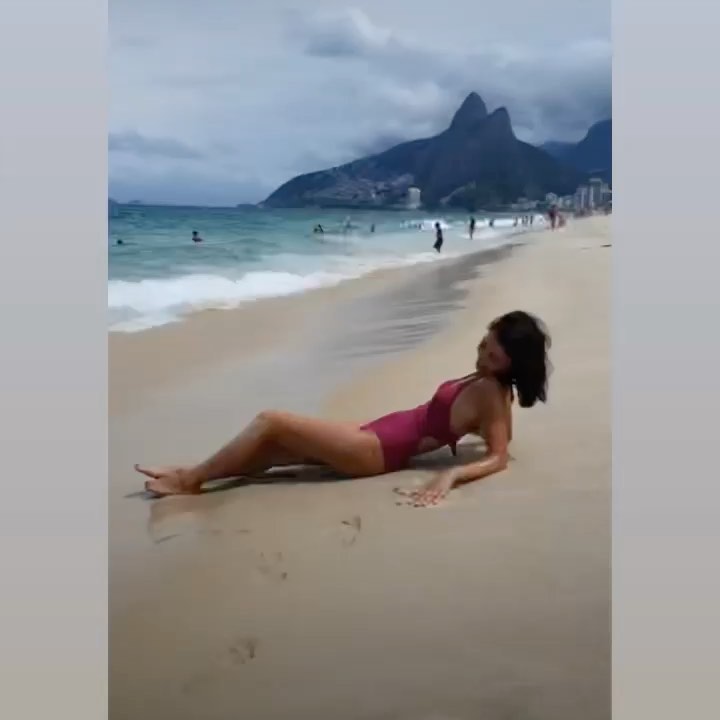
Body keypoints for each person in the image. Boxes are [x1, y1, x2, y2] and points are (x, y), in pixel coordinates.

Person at [135, 311, 551, 507]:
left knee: (271, 421)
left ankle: (189, 481)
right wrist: (461, 432)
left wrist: (451, 474)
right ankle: (194, 471)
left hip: (375, 451)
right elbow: (474, 427)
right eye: (483, 345)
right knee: (272, 451)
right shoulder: (486, 382)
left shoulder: (492, 392)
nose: (482, 357)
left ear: (513, 363)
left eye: (493, 355)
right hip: (374, 434)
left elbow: (499, 455)